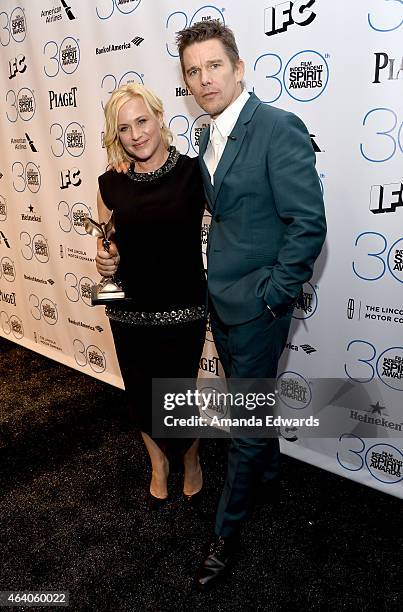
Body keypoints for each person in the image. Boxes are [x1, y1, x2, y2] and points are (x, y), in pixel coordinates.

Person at [176, 20, 327, 589]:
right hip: (223, 301)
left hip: (258, 307)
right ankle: (267, 476)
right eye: (193, 71)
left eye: (214, 65)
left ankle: (226, 534)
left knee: (242, 419)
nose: (203, 78)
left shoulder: (276, 126)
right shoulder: (207, 135)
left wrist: (273, 296)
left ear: (239, 68)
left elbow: (308, 224)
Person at [95, 83, 206, 509]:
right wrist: (104, 264)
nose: (137, 134)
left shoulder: (194, 174)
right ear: (116, 135)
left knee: (177, 393)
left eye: (142, 121)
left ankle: (191, 461)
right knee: (140, 393)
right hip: (128, 312)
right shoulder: (110, 184)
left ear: (160, 118)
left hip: (184, 307)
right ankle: (159, 464)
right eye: (125, 128)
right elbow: (106, 251)